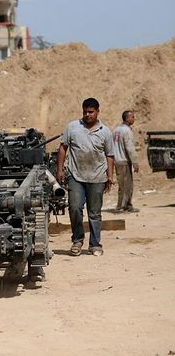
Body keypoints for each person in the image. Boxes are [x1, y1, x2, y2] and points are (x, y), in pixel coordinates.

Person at [56, 98, 115, 257]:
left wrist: (110, 176)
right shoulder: (73, 127)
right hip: (76, 176)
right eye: (85, 112)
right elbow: (63, 148)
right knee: (74, 208)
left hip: (97, 178)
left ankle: (95, 245)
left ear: (97, 112)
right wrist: (60, 170)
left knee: (94, 213)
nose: (88, 115)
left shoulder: (105, 131)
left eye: (91, 112)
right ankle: (77, 241)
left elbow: (110, 155)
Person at [113, 110, 139, 213]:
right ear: (127, 118)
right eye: (132, 117)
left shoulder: (116, 130)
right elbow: (130, 148)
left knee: (124, 185)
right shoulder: (127, 131)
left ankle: (128, 205)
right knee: (125, 186)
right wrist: (135, 162)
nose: (133, 119)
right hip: (123, 161)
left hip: (117, 160)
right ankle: (121, 207)